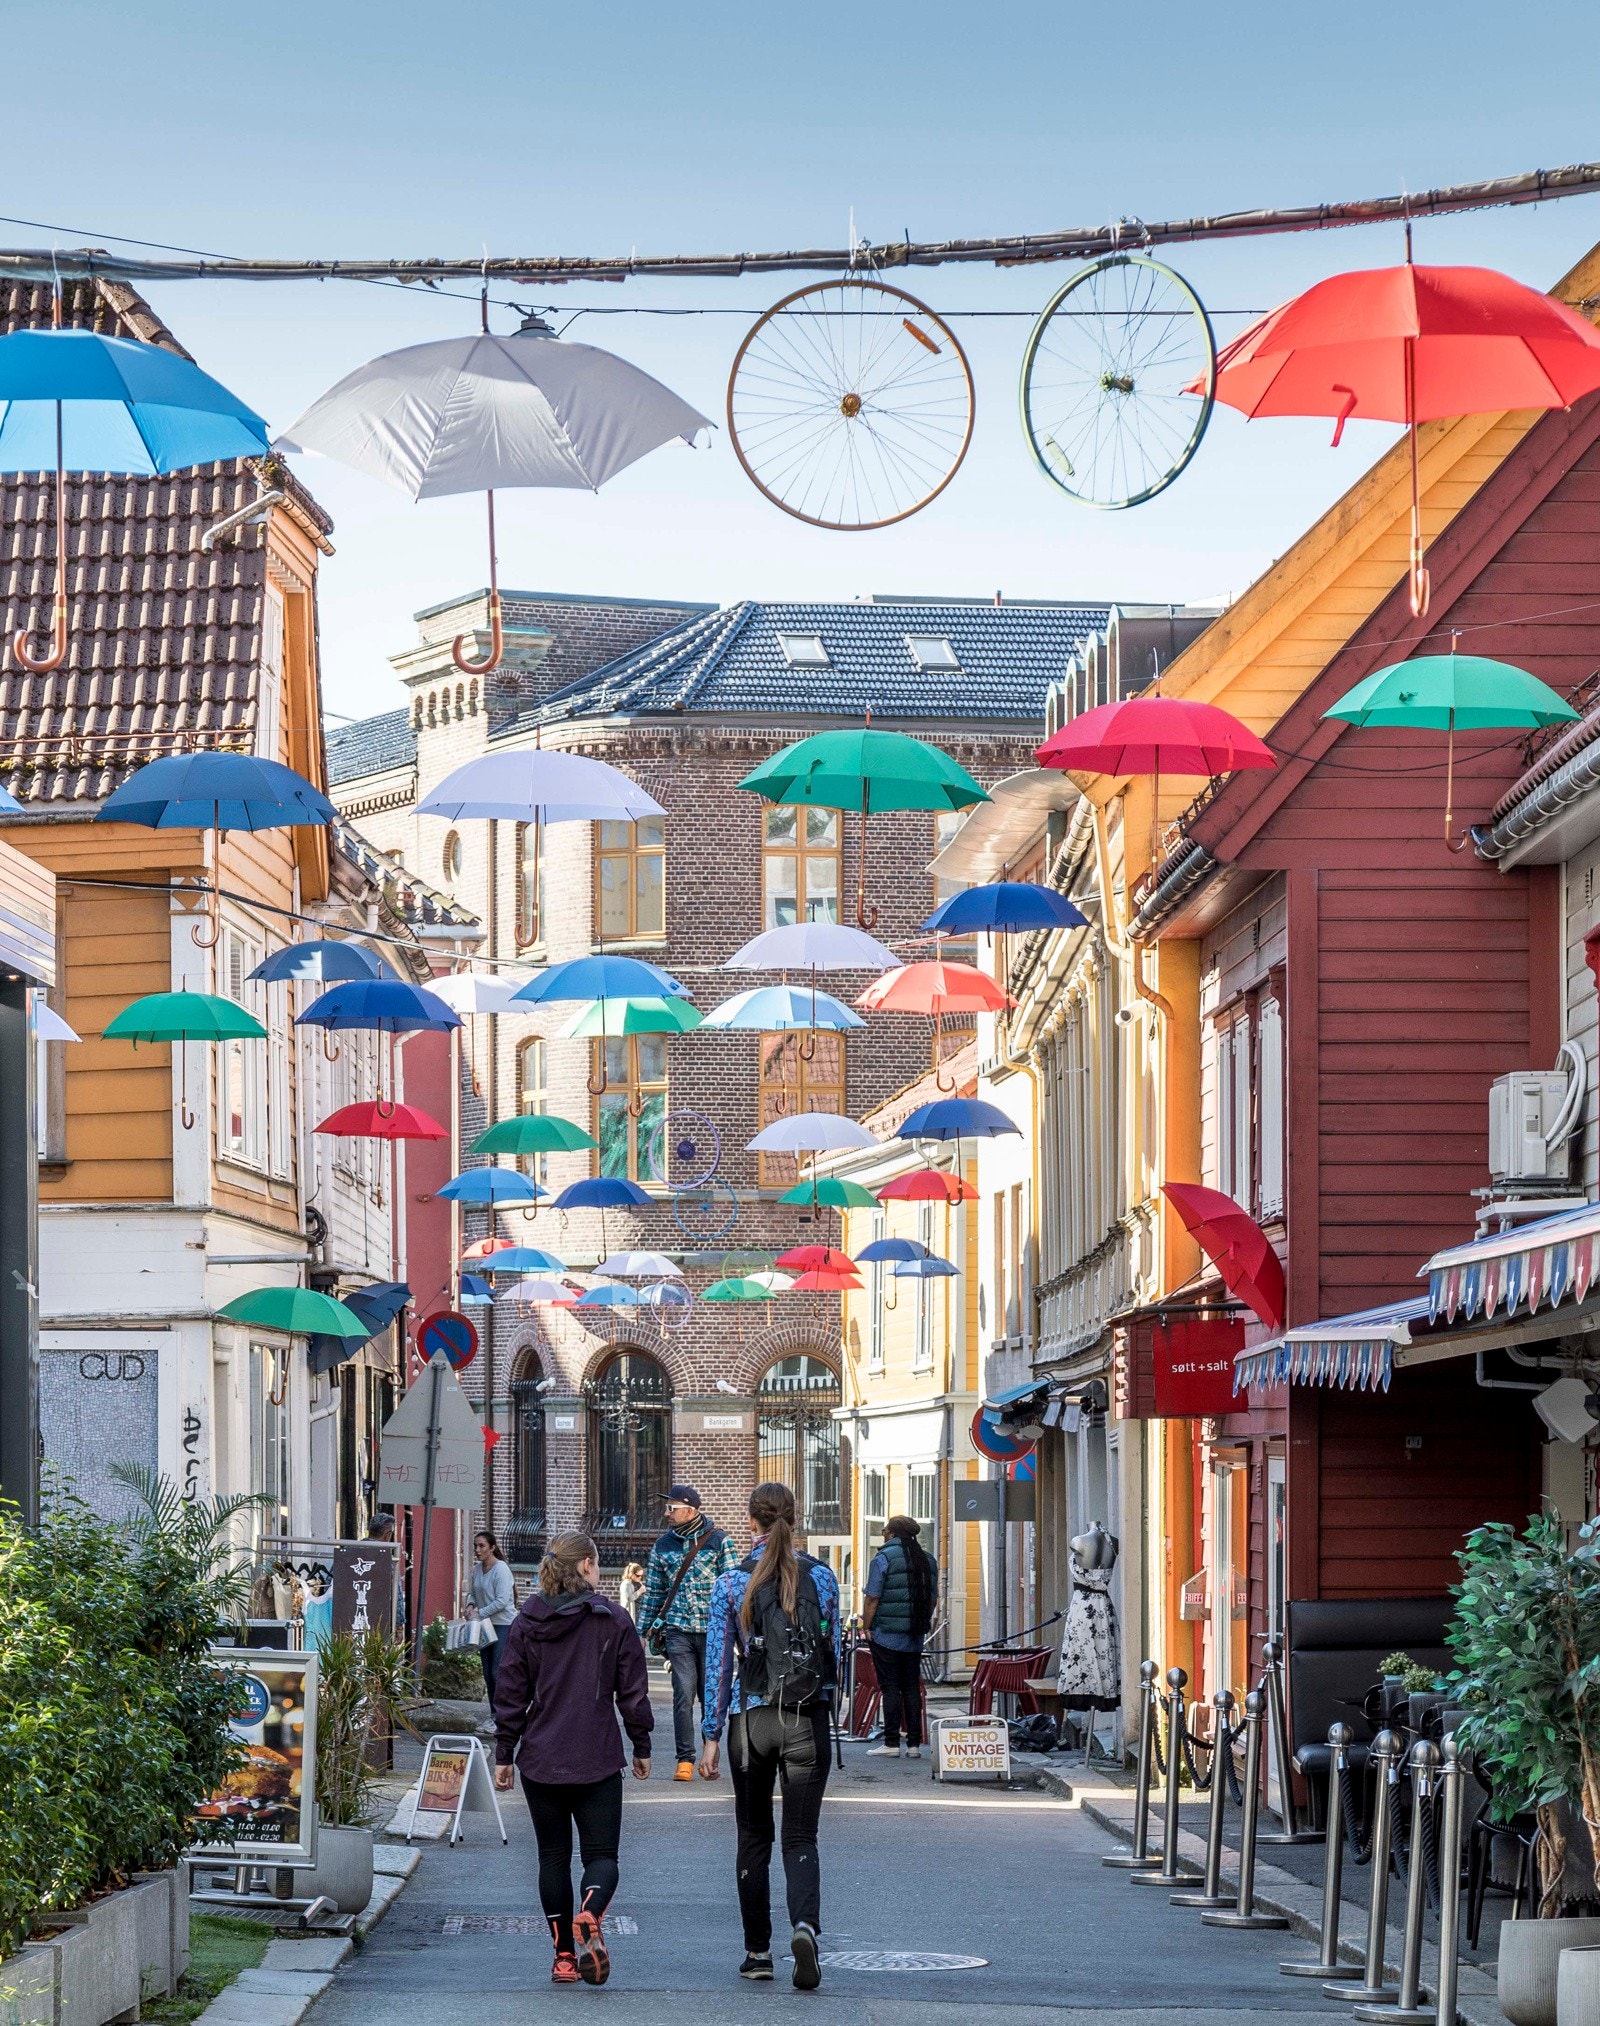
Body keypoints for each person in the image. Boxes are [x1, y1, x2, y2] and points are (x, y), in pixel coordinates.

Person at [698, 1482, 841, 1992]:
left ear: (750, 1521)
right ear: (795, 1518)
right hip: (806, 1717)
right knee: (801, 1836)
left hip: (751, 1721)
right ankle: (804, 1927)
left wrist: (711, 1735)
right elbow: (834, 1653)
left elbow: (717, 1665)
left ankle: (757, 1951)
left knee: (753, 1835)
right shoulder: (822, 1578)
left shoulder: (730, 1585)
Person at [492, 1533, 652, 1988]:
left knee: (552, 1857)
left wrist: (505, 1751)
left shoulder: (526, 1623)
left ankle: (563, 1956)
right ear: (585, 1566)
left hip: (540, 1760)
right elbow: (633, 1692)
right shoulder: (613, 1620)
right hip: (597, 1757)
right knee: (601, 1856)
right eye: (597, 1564)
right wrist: (641, 1746)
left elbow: (510, 1692)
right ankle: (591, 1911)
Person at [637, 1485, 740, 1780]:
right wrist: (643, 1632)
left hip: (713, 1632)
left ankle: (712, 1748)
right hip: (677, 1631)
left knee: (712, 1694)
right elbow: (654, 1593)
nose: (666, 1513)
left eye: (672, 1508)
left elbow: (733, 1591)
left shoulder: (720, 1541)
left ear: (691, 1510)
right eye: (666, 1508)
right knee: (683, 1693)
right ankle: (685, 1759)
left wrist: (738, 1632)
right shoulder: (662, 1546)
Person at [862, 1515, 938, 1759]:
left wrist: (867, 1626)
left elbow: (873, 1596)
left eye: (885, 1530)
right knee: (911, 1687)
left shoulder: (883, 1557)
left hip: (886, 1634)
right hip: (914, 1635)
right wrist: (921, 1621)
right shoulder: (927, 1560)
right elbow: (933, 1598)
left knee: (891, 1687)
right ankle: (914, 1745)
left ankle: (892, 1742)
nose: (883, 1533)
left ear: (892, 1534)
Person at [465, 1530, 517, 1702]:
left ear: (492, 1547)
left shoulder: (501, 1570)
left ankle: (504, 1714)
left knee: (497, 1671)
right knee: (487, 1672)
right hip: (484, 1625)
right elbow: (472, 1593)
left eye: (482, 1546)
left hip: (503, 1624)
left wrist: (479, 1613)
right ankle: (494, 1714)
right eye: (476, 1546)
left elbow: (502, 1601)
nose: (478, 1550)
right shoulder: (477, 1569)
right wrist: (470, 1605)